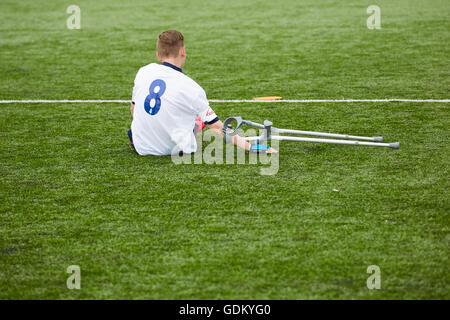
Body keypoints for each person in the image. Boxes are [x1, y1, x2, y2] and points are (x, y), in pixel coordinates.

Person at [129, 30, 275, 156]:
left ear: (158, 55)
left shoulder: (143, 71)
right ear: (183, 52)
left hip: (142, 147)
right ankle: (197, 124)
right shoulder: (191, 87)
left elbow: (134, 110)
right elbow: (218, 128)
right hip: (175, 149)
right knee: (198, 119)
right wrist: (251, 147)